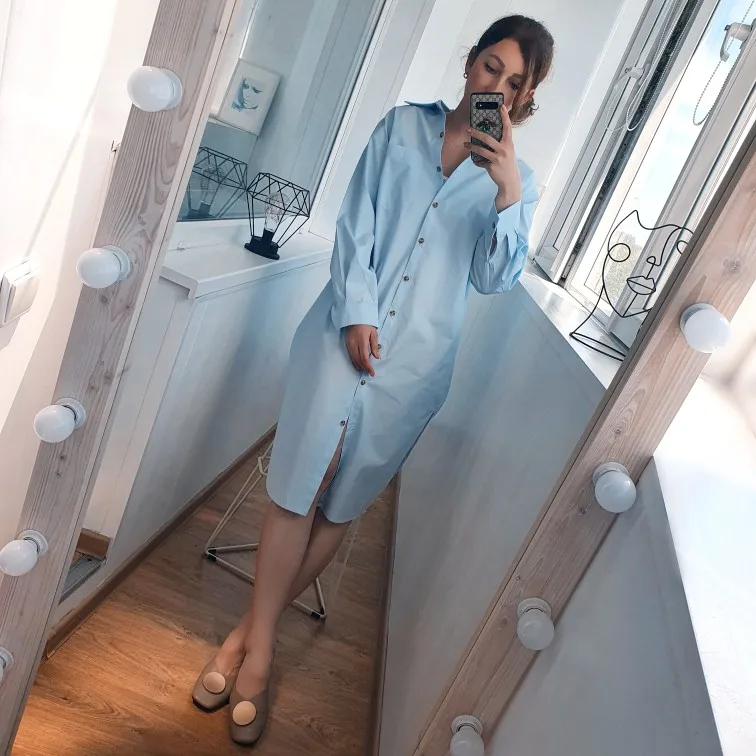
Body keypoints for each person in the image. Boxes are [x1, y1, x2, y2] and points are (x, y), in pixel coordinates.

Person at [192, 14, 554, 745]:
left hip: (412, 369)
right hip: (340, 335)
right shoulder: (401, 128)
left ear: (524, 99)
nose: (498, 86)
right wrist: (357, 312)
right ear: (470, 63)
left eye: (516, 83)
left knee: (339, 505)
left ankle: (244, 642)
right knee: (296, 487)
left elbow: (493, 278)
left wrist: (509, 194)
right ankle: (260, 659)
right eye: (492, 66)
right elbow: (356, 224)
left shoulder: (516, 182)